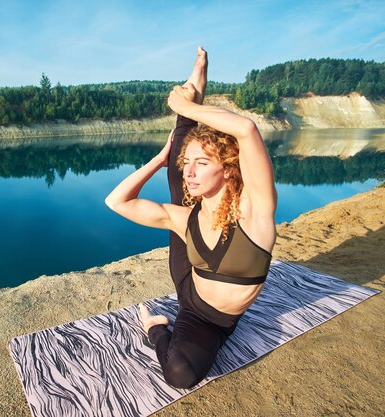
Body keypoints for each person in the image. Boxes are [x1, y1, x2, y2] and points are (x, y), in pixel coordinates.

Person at [105, 46, 277, 389]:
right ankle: (195, 80)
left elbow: (246, 129)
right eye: (189, 164)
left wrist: (187, 106)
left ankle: (154, 329)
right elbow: (117, 201)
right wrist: (160, 160)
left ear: (229, 170)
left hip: (213, 321)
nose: (190, 172)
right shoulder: (185, 215)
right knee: (178, 165)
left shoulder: (255, 210)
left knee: (180, 374)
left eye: (202, 164)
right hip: (190, 290)